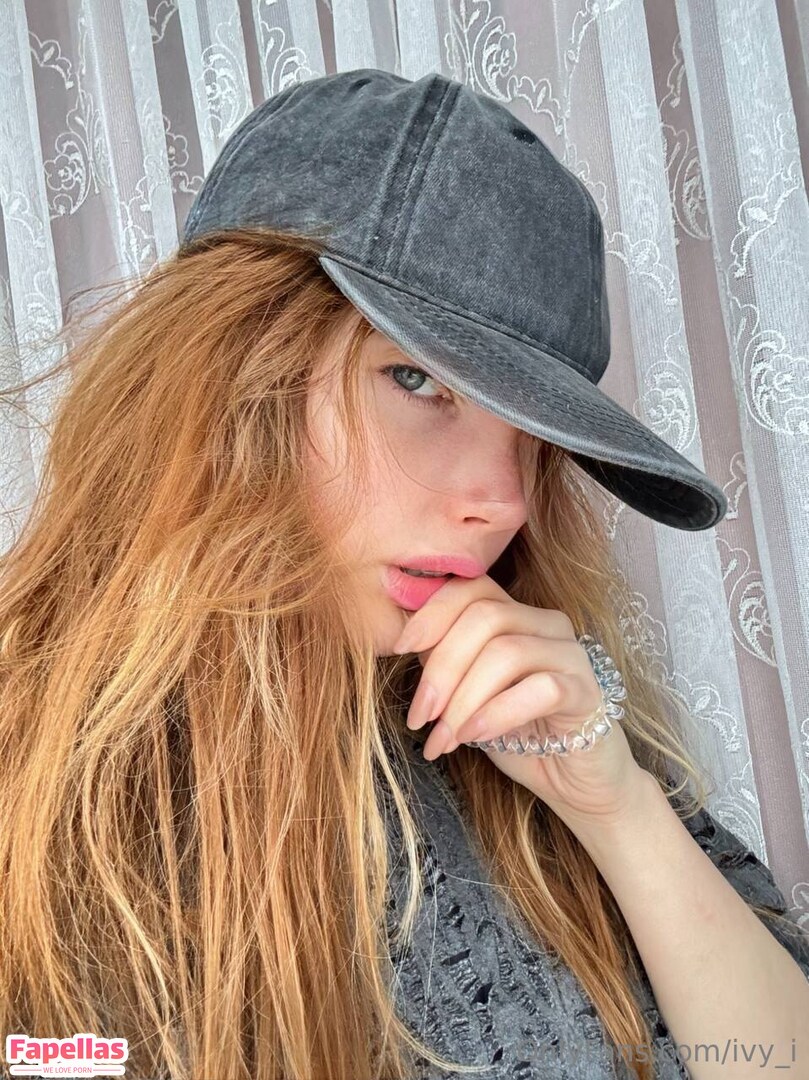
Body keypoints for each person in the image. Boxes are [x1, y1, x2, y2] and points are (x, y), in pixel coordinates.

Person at [0, 68, 807, 1080]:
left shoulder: (537, 721)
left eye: (532, 441)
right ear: (225, 375)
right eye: (417, 379)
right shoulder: (34, 779)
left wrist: (619, 811)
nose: (502, 501)